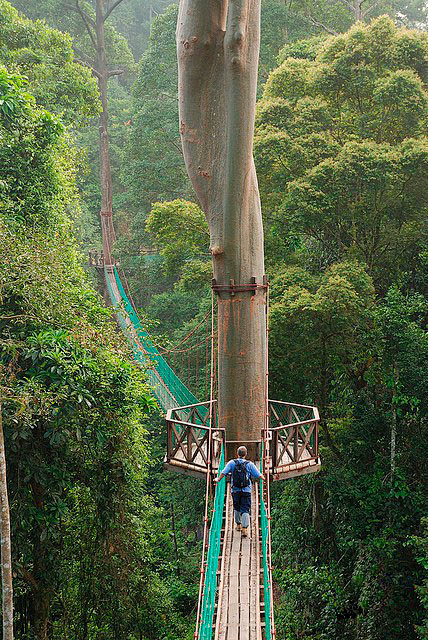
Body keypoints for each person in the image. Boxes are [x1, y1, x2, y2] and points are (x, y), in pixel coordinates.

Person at [214, 445, 263, 537]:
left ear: (237, 454)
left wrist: (218, 479)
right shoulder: (250, 464)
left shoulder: (232, 463)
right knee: (245, 509)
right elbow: (258, 475)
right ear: (246, 454)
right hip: (246, 490)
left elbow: (223, 473)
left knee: (236, 507)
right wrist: (264, 478)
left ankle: (238, 525)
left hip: (235, 490)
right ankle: (245, 529)